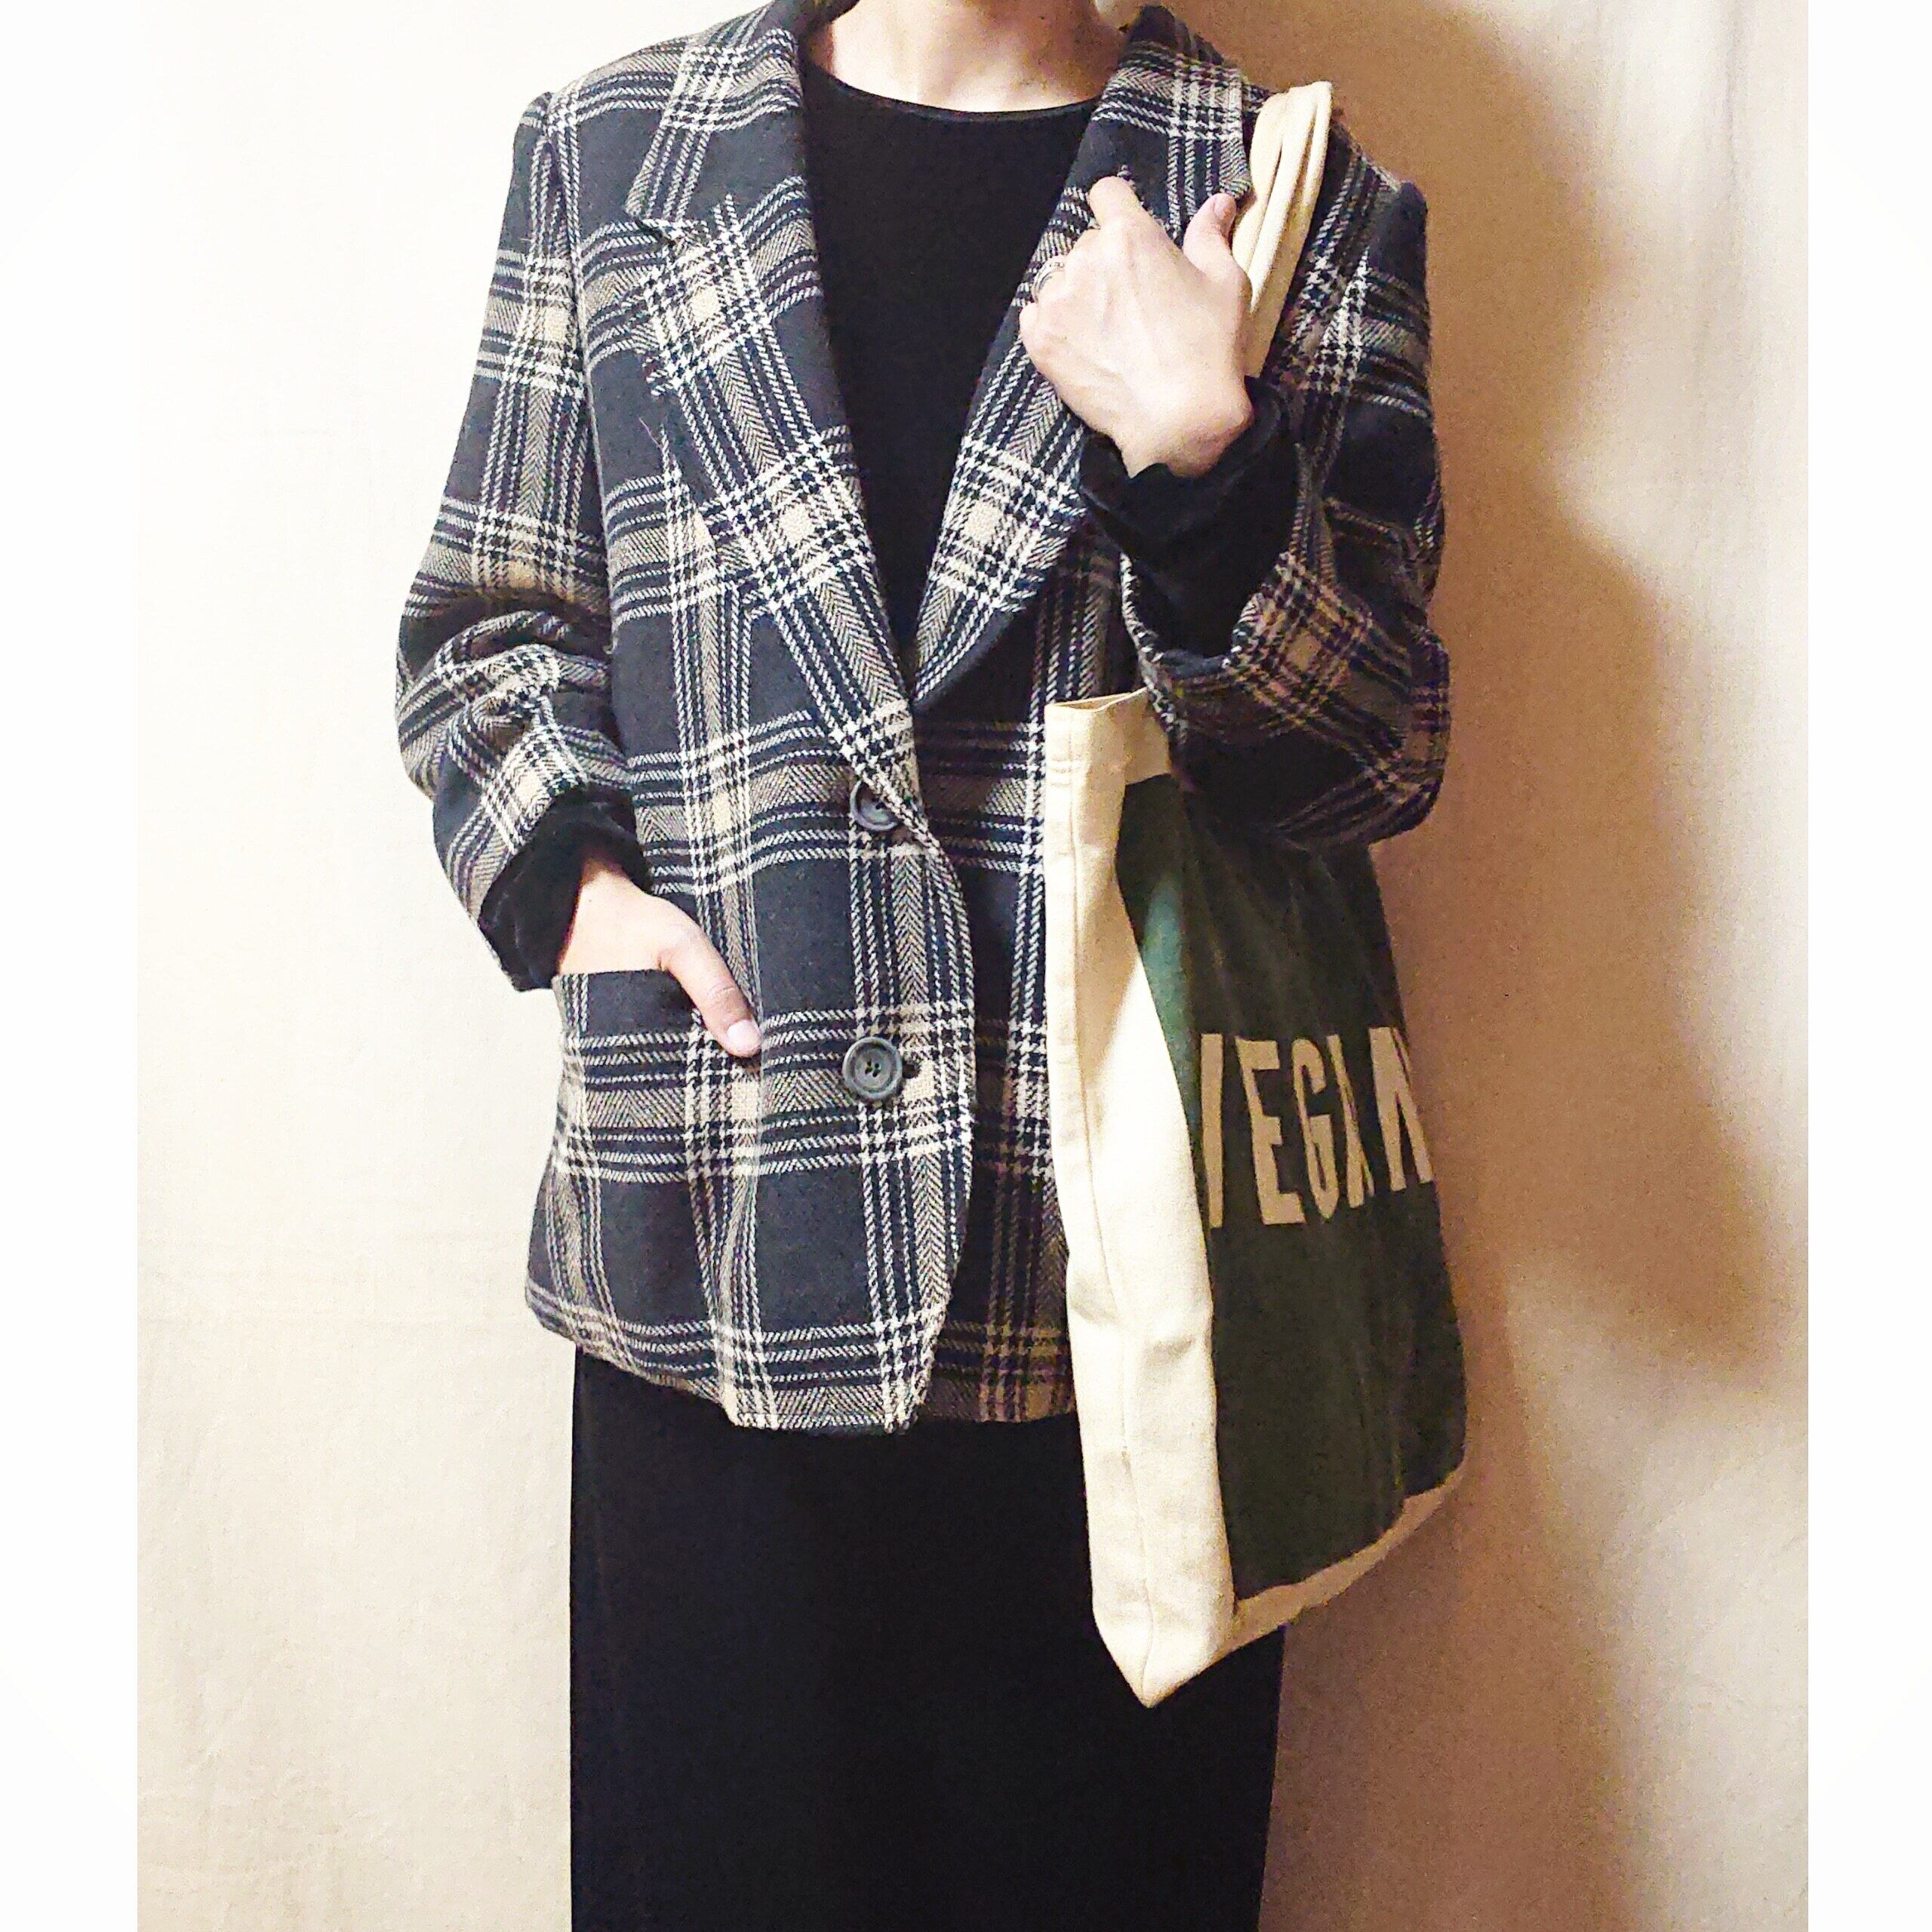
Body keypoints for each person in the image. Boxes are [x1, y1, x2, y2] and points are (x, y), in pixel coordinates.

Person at [394, 1, 1451, 1926]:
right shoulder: (611, 154)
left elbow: (1367, 757)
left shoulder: (1293, 190)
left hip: (1117, 1325)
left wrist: (1201, 462)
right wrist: (574, 888)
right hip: (714, 1242)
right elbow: (489, 626)